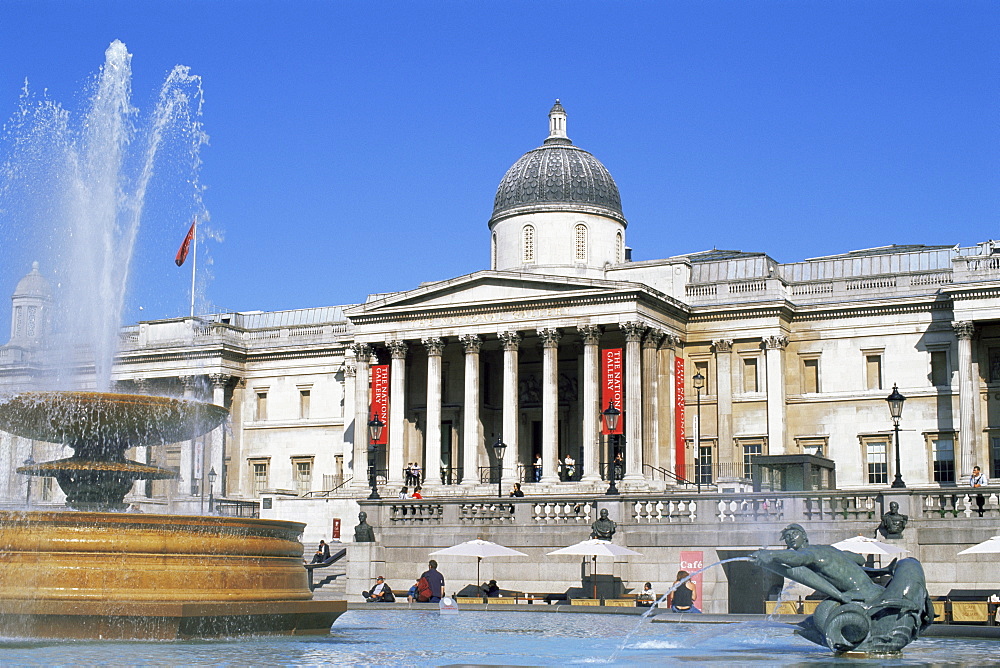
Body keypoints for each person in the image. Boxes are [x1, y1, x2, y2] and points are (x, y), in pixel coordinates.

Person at [751, 524, 883, 605]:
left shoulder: (809, 553)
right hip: (876, 590)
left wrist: (771, 554)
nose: (791, 537)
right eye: (787, 536)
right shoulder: (829, 548)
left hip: (861, 596)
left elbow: (798, 559)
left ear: (804, 536)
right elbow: (860, 560)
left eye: (795, 534)